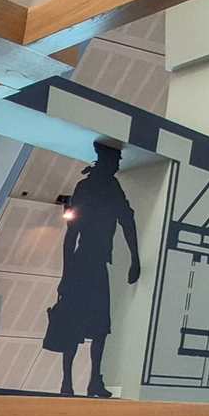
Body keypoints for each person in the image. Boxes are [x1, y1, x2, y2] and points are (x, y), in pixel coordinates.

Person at [45, 141, 141, 397]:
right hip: (83, 265)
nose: (117, 166)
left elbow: (127, 221)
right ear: (106, 162)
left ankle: (92, 381)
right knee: (74, 326)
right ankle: (67, 383)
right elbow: (71, 235)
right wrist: (66, 276)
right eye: (114, 162)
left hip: (97, 266)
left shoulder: (111, 187)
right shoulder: (87, 188)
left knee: (100, 328)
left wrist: (135, 258)